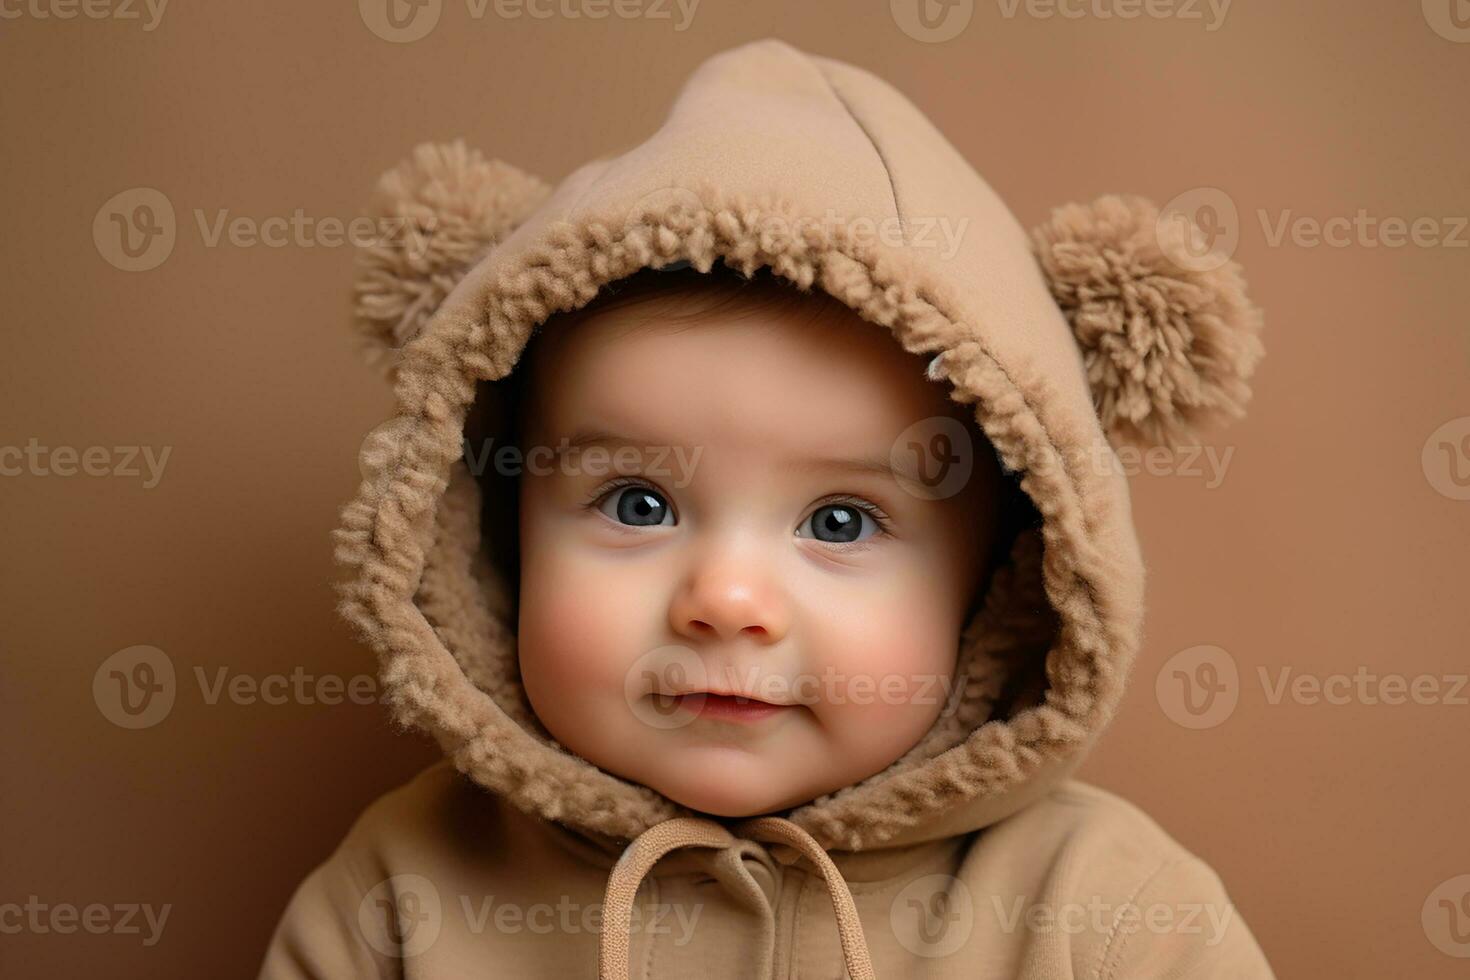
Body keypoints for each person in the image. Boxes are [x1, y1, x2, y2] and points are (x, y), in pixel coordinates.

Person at [260, 38, 1272, 978]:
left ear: (1000, 581)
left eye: (840, 521)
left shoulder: (1110, 914)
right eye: (639, 501)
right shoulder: (400, 892)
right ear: (495, 531)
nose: (726, 599)